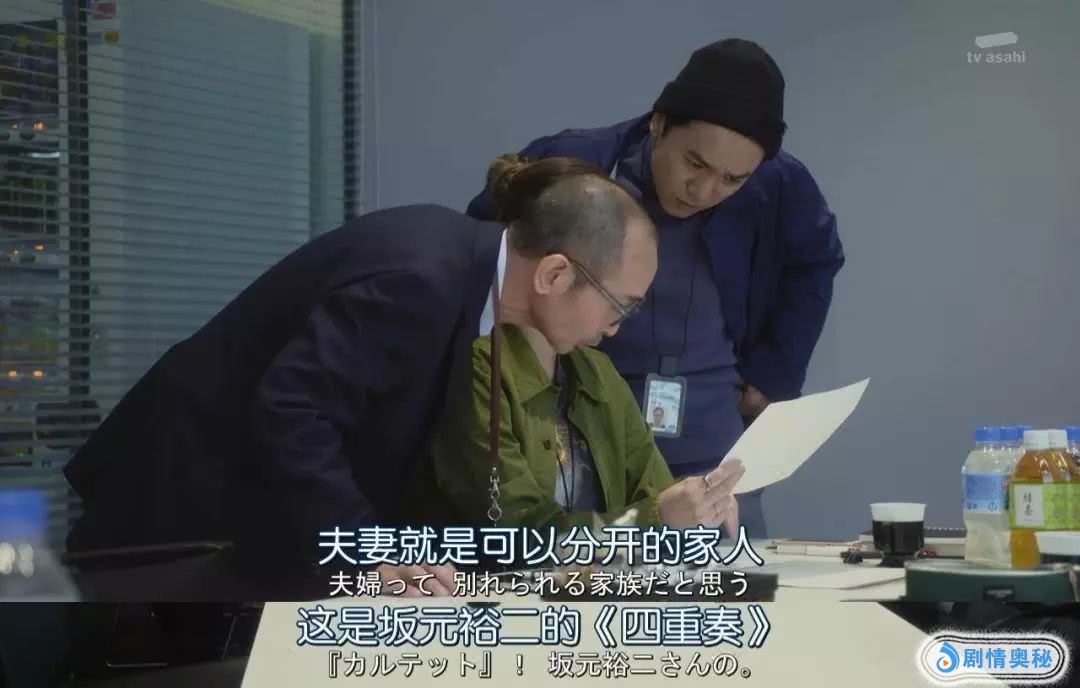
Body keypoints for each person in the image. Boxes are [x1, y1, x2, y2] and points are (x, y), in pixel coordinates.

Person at [466, 39, 844, 537]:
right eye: (695, 164)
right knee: (586, 546)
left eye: (733, 179)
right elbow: (485, 251)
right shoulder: (577, 165)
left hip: (712, 411)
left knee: (724, 553)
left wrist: (777, 371)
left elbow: (816, 261)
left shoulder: (779, 183)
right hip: (591, 413)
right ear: (658, 123)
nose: (705, 191)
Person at [409, 156, 745, 535]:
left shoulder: (596, 371)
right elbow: (517, 533)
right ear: (556, 275)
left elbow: (653, 491)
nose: (615, 328)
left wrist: (697, 501)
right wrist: (656, 517)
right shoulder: (476, 368)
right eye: (619, 305)